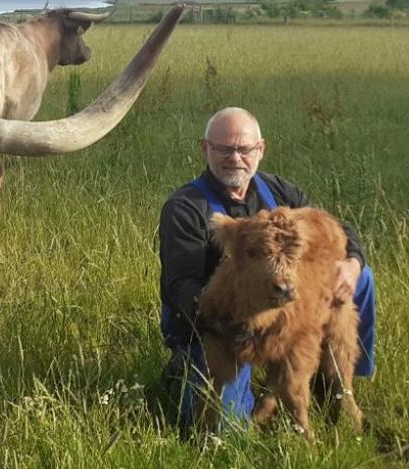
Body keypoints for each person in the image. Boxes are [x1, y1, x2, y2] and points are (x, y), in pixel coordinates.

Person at [159, 107, 376, 429]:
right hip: (216, 326)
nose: (235, 158)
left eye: (244, 149)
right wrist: (233, 327)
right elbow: (180, 288)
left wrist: (354, 263)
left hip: (282, 314)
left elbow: (335, 228)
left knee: (362, 279)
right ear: (205, 149)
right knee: (225, 429)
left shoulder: (278, 191)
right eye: (224, 149)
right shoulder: (186, 208)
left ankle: (337, 385)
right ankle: (186, 369)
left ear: (260, 149)